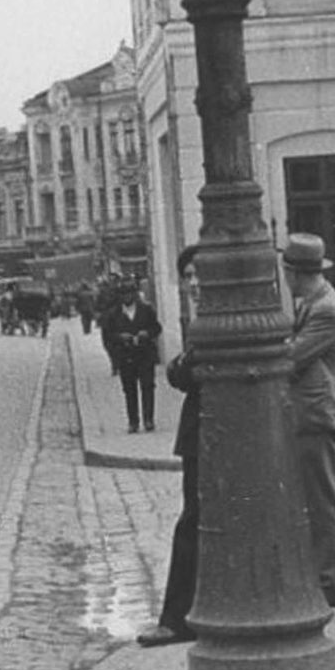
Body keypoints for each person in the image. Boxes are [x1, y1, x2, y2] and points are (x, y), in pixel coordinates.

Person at [282, 234, 335, 608]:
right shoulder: (314, 304)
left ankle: (332, 583)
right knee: (321, 497)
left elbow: (293, 357)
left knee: (324, 500)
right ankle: (331, 577)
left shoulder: (326, 309)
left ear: (295, 273)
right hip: (313, 413)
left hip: (318, 413)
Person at [136, 247, 201, 648]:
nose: (193, 283)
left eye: (198, 274)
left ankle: (178, 620)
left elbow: (184, 371)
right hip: (201, 436)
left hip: (208, 436)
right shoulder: (200, 318)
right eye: (188, 276)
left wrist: (180, 368)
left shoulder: (212, 319)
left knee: (191, 526)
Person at [100, 280, 162, 433]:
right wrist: (120, 337)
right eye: (123, 294)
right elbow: (107, 335)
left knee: (148, 387)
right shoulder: (113, 314)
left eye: (129, 293)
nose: (127, 297)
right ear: (120, 297)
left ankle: (148, 419)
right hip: (126, 356)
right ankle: (133, 421)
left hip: (145, 354)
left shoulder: (146, 310)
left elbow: (156, 327)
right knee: (129, 389)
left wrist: (147, 333)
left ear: (134, 295)